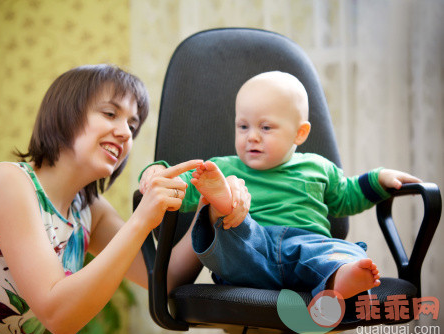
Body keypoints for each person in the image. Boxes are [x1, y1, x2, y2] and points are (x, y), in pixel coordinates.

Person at [0, 64, 250, 334]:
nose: (126, 133)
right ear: (64, 114)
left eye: (133, 125)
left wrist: (210, 205)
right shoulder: (9, 183)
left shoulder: (89, 212)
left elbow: (164, 281)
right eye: (111, 113)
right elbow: (58, 316)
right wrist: (142, 219)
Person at [139, 71, 422, 300]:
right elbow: (181, 187)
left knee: (346, 253)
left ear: (300, 133)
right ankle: (227, 204)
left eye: (265, 128)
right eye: (243, 126)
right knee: (228, 229)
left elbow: (348, 197)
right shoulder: (220, 168)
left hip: (306, 248)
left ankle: (337, 281)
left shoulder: (317, 167)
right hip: (250, 250)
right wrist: (159, 173)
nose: (252, 137)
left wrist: (379, 178)